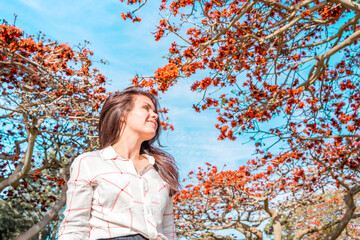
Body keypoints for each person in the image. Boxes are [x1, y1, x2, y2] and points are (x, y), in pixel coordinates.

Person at [58, 87, 180, 240]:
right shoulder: (89, 163)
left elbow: (169, 232)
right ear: (123, 114)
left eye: (155, 111)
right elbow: (74, 227)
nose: (155, 115)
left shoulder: (160, 172)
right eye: (145, 108)